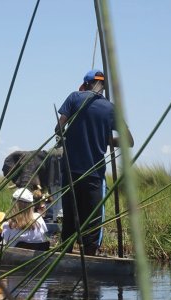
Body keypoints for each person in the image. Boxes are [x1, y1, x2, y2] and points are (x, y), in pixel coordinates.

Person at [55, 69, 134, 256]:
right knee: (92, 223)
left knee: (69, 220)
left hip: (71, 172)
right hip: (94, 175)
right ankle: (90, 258)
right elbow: (129, 141)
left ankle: (65, 259)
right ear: (103, 87)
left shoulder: (75, 98)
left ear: (86, 84)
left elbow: (58, 128)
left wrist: (71, 134)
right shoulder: (110, 108)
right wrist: (105, 140)